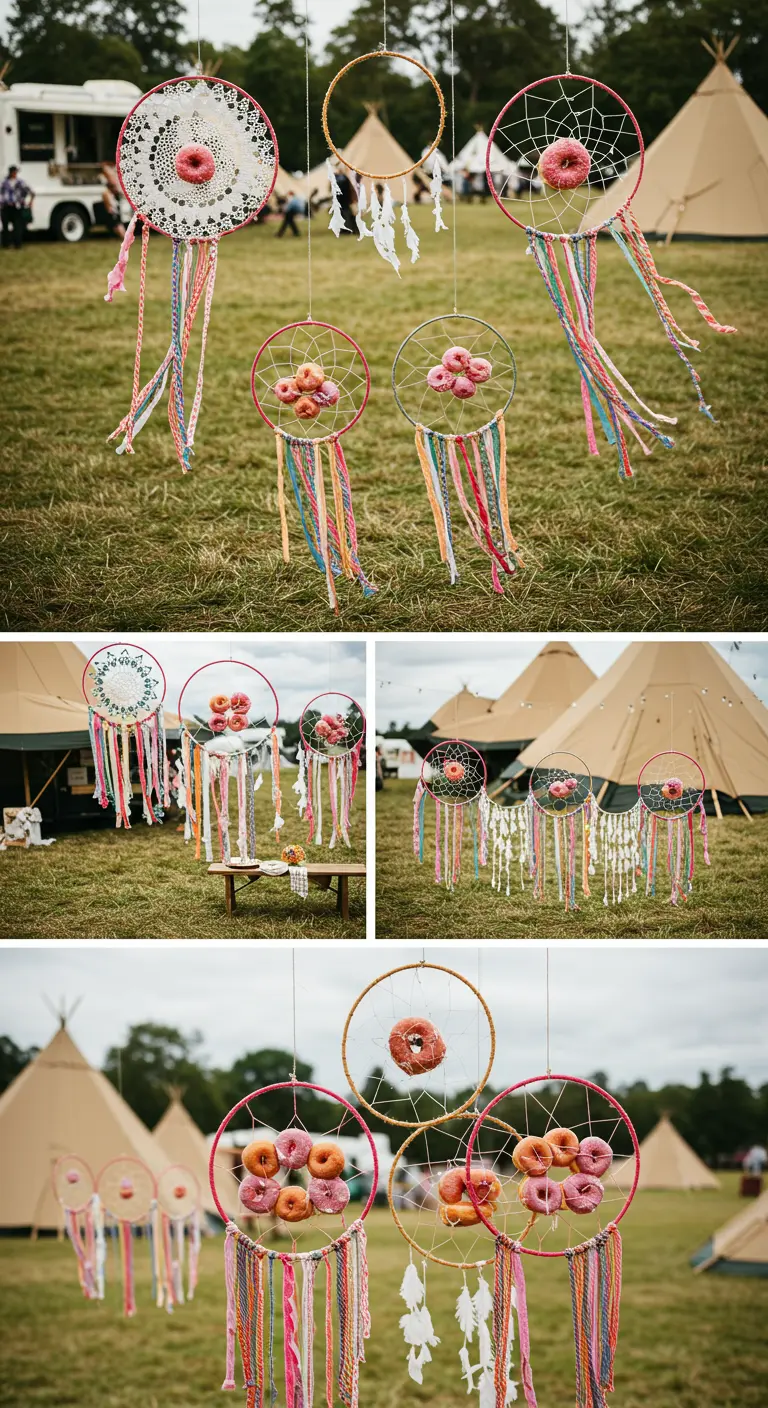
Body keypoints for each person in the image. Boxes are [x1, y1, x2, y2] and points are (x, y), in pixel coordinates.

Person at [1, 165, 33, 249]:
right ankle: (6, 244)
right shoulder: (4, 183)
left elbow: (30, 191)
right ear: (11, 173)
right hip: (6, 206)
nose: (16, 174)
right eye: (15, 172)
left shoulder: (20, 182)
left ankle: (17, 244)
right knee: (5, 226)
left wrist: (30, 202)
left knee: (17, 226)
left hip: (17, 206)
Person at [100, 163, 126, 239]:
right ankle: (123, 236)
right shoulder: (106, 193)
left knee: (118, 223)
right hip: (113, 212)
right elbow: (109, 207)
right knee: (117, 223)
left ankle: (122, 235)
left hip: (115, 211)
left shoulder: (111, 193)